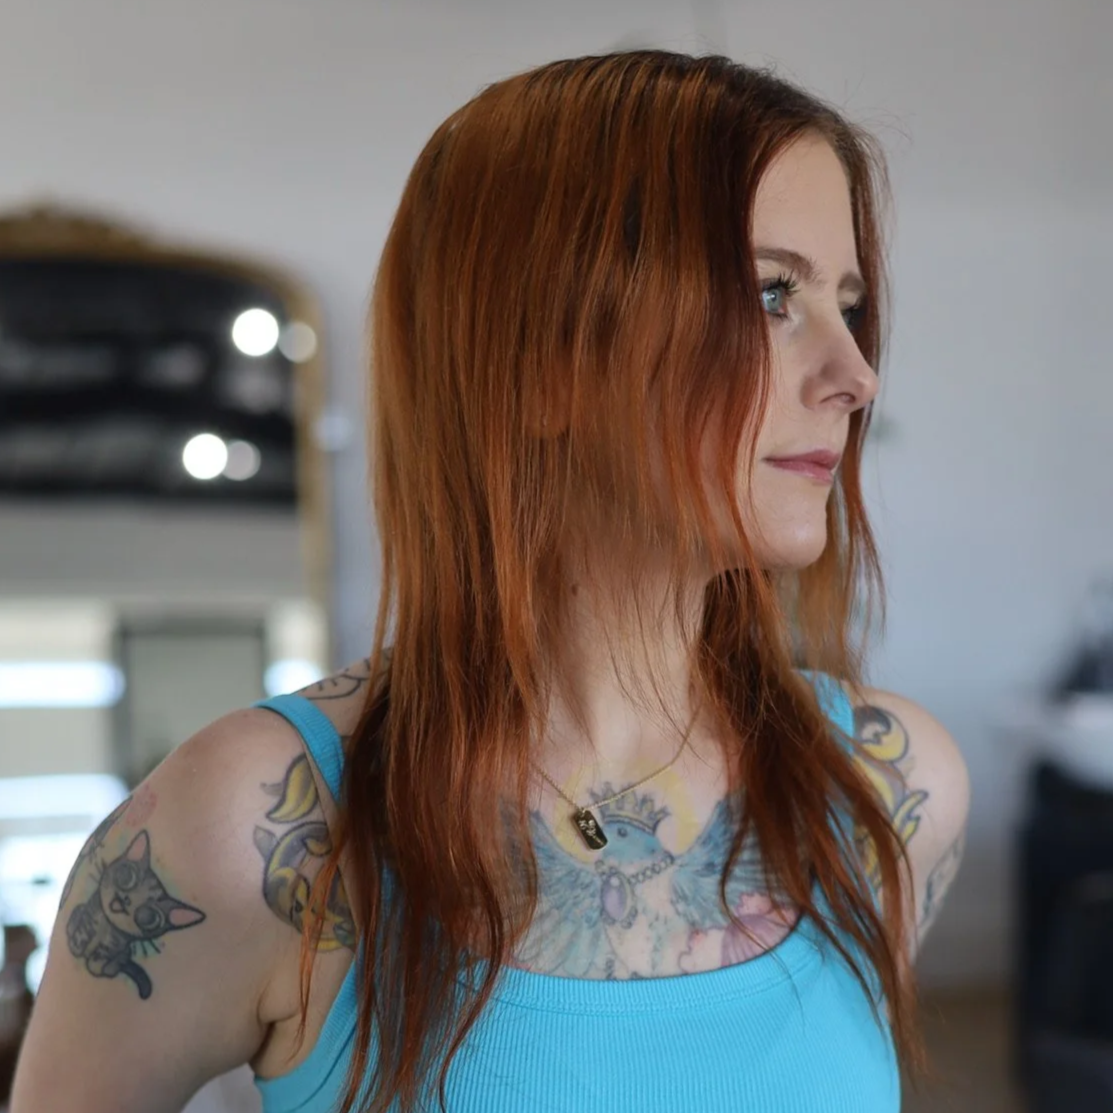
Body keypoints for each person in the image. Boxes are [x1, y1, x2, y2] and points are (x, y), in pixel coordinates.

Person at [12, 49, 970, 1113]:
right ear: (545, 355)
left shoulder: (890, 793)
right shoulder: (253, 833)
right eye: (770, 293)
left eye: (849, 302)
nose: (856, 375)